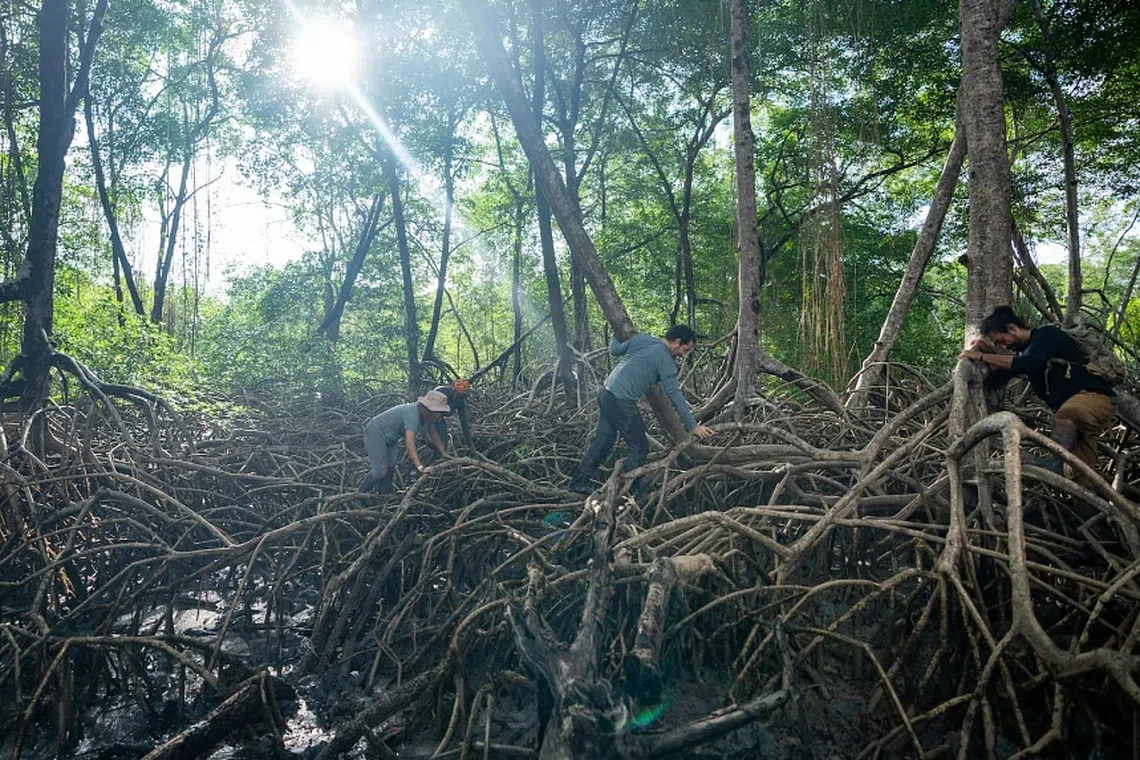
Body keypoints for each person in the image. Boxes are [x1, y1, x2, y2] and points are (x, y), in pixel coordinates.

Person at [960, 305, 1116, 477]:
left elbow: (1028, 363)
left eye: (1001, 341)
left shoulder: (1046, 336)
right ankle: (1088, 498)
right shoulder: (1028, 352)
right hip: (1078, 419)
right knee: (1079, 475)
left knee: (1068, 414)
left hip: (1094, 399)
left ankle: (1054, 462)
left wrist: (981, 356)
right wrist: (983, 349)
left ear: (1012, 329)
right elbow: (1003, 374)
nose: (1002, 347)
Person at [568, 325, 714, 496]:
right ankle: (628, 492)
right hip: (621, 401)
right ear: (677, 342)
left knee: (604, 441)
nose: (684, 354)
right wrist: (692, 426)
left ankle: (578, 483)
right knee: (639, 446)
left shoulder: (642, 338)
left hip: (606, 393)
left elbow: (614, 349)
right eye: (685, 349)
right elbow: (674, 393)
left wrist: (615, 333)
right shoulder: (666, 360)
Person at [359, 390, 451, 494]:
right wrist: (420, 467)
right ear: (426, 408)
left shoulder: (427, 417)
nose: (439, 416)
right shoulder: (412, 413)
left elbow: (433, 433)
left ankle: (383, 499)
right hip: (375, 433)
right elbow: (410, 442)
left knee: (390, 470)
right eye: (437, 412)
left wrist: (443, 453)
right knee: (380, 472)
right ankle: (359, 495)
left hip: (391, 439)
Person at [430, 377, 472, 449]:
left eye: (464, 397)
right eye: (461, 396)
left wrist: (469, 442)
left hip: (439, 419)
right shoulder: (441, 391)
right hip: (428, 416)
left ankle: (440, 456)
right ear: (454, 391)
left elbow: (463, 422)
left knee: (444, 441)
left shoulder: (460, 402)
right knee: (430, 440)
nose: (462, 399)